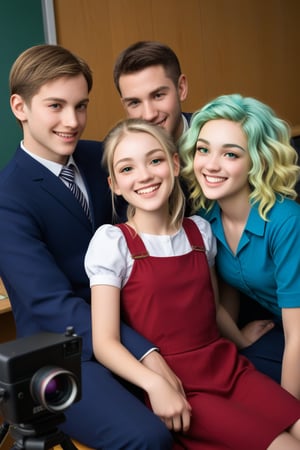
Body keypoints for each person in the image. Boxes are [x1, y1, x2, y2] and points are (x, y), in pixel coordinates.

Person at [85, 117, 300, 450]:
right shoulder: (112, 243)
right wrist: (154, 385)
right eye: (127, 169)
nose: (143, 175)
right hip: (181, 387)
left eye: (154, 160)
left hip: (229, 368)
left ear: (174, 164)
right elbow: (105, 342)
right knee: (285, 445)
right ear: (114, 184)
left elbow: (209, 308)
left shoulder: (200, 231)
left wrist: (240, 337)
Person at [0, 44, 175, 449]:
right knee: (148, 437)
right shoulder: (8, 197)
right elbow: (51, 305)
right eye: (56, 106)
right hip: (63, 353)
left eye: (81, 106)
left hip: (135, 321)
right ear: (19, 107)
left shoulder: (103, 156)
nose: (72, 121)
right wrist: (146, 355)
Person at [180, 93, 300, 397]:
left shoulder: (286, 221)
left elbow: (298, 332)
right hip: (281, 330)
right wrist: (235, 340)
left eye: (230, 154)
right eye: (203, 150)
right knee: (233, 374)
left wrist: (290, 415)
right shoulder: (207, 216)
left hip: (295, 333)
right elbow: (227, 289)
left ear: (257, 161)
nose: (211, 165)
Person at [113, 40, 191, 142]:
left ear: (181, 88)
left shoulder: (215, 135)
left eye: (158, 95)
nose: (149, 115)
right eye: (135, 102)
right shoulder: (116, 153)